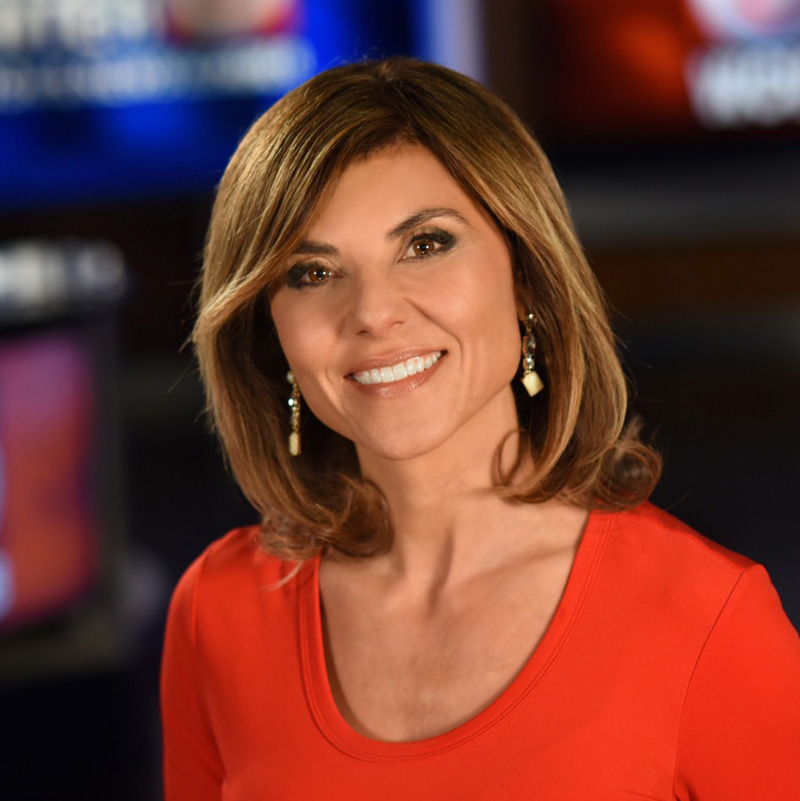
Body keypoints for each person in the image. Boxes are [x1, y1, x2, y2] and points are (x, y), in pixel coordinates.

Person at [161, 57, 800, 799]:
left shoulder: (707, 617)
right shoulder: (216, 610)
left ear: (526, 275)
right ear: (270, 332)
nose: (373, 313)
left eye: (425, 245)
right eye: (313, 273)